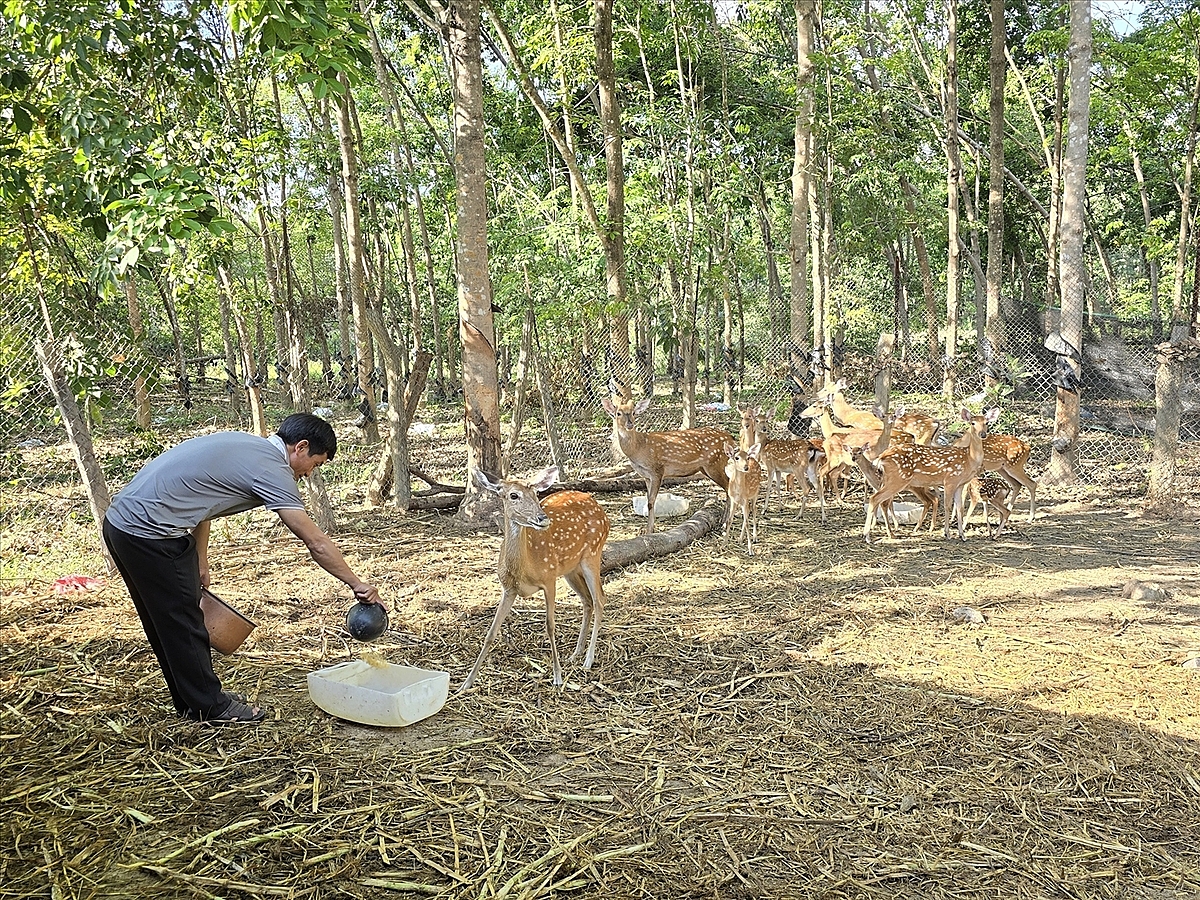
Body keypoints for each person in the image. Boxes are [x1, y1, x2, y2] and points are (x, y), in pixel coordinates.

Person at [102, 413, 381, 725]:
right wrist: (357, 584)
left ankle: (193, 700)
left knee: (166, 623)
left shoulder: (248, 446)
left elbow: (202, 499)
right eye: (315, 464)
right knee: (184, 624)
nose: (309, 474)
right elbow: (315, 541)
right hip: (151, 534)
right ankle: (211, 707)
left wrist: (200, 556)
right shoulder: (272, 469)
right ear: (301, 447)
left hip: (121, 525)